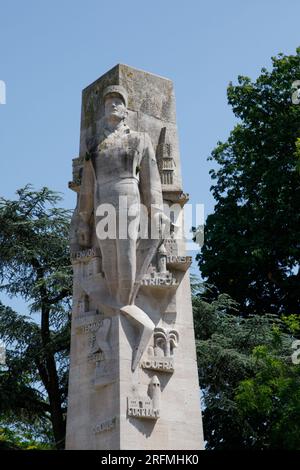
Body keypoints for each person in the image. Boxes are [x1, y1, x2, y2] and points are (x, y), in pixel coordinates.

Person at [76, 85, 164, 309]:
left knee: (126, 254)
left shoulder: (139, 139)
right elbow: (87, 186)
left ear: (126, 111)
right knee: (108, 259)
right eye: (108, 103)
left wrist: (157, 212)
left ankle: (125, 304)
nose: (112, 105)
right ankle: (118, 306)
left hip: (129, 199)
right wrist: (84, 221)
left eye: (118, 102)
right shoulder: (93, 144)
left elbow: (151, 180)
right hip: (101, 199)